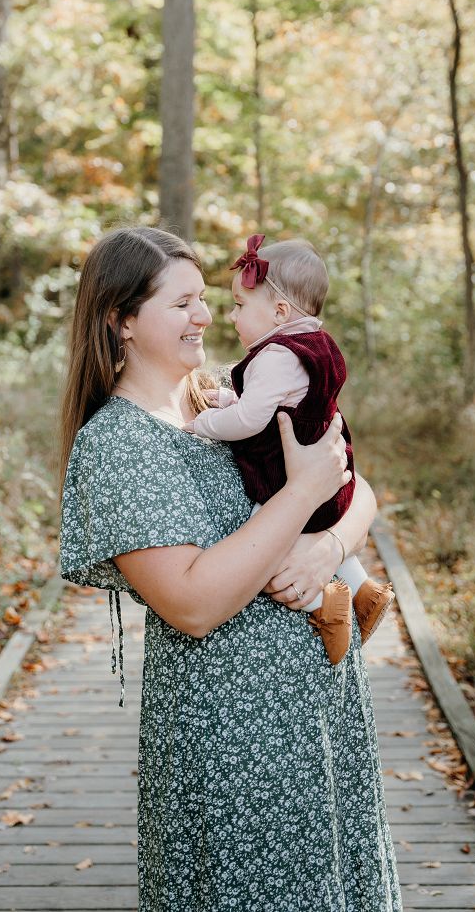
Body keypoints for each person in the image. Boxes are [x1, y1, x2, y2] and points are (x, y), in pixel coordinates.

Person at [59, 226, 403, 911]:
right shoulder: (118, 444)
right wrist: (301, 494)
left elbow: (353, 484)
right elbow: (191, 604)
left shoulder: (223, 396)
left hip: (321, 711)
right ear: (121, 320)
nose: (206, 316)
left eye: (205, 299)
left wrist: (329, 547)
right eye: (182, 303)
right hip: (231, 736)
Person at [187, 234, 394, 664]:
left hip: (285, 477)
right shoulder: (313, 344)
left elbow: (249, 420)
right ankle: (363, 590)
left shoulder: (276, 356)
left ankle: (325, 605)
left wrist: (202, 424)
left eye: (240, 306)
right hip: (331, 477)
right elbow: (269, 401)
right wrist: (228, 400)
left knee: (262, 544)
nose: (229, 316)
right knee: (292, 536)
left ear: (280, 312)